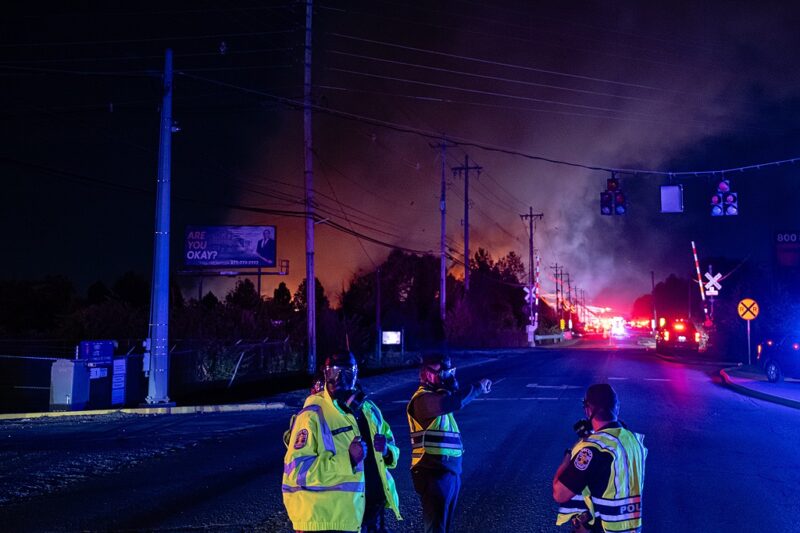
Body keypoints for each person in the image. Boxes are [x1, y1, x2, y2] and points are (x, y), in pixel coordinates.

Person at [282, 352, 401, 533]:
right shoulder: (312, 415)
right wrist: (348, 460)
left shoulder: (369, 410)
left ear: (355, 374)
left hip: (372, 514)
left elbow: (392, 444)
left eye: (346, 372)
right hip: (335, 520)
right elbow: (296, 471)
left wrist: (386, 451)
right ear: (325, 375)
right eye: (334, 372)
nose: (339, 379)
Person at [406, 353, 492, 533]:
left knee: (443, 526)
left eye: (451, 371)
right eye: (444, 372)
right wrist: (477, 388)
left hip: (447, 471)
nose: (449, 376)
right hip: (432, 472)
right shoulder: (423, 400)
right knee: (435, 528)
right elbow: (452, 402)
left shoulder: (436, 396)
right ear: (429, 374)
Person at [553, 383, 647, 533]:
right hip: (631, 528)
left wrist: (566, 460)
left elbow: (560, 494)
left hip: (605, 528)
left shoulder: (593, 449)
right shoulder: (633, 440)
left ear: (588, 410)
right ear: (617, 407)